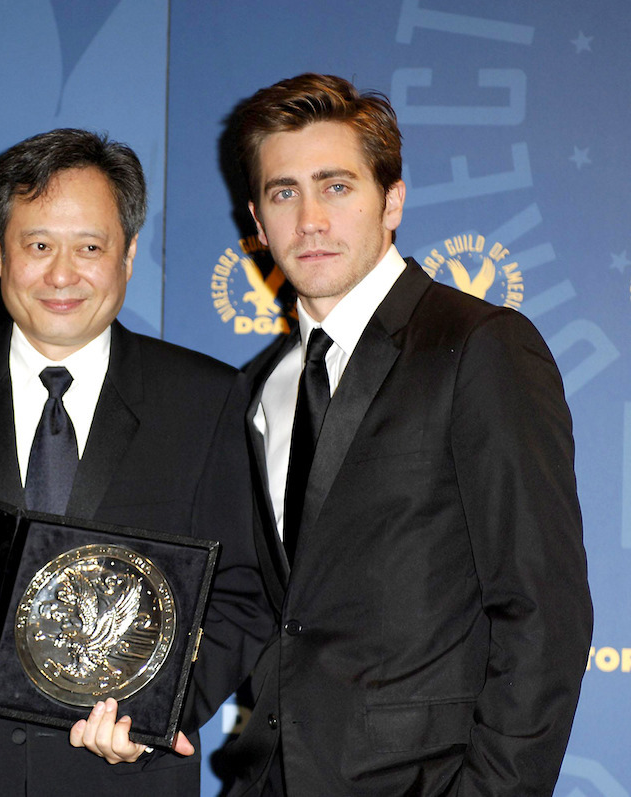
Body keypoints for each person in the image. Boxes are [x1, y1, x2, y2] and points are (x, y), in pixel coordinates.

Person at [0, 128, 272, 797]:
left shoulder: (204, 400)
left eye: (90, 247)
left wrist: (156, 714)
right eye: (38, 244)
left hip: (128, 778)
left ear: (128, 254)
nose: (61, 273)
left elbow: (244, 592)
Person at [218, 73, 592, 796]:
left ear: (392, 200)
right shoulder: (262, 386)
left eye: (336, 186)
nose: (310, 221)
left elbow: (543, 612)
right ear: (257, 224)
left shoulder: (480, 346)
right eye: (284, 192)